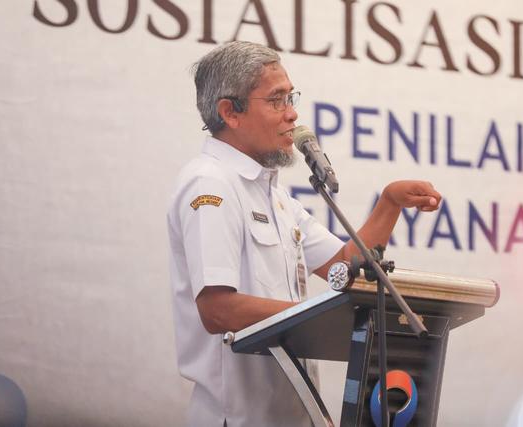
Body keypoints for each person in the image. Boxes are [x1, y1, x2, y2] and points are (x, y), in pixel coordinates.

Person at [167, 40, 441, 427]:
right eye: (276, 100)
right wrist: (321, 318)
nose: (292, 113)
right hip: (238, 419)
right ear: (230, 112)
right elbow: (218, 309)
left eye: (290, 97)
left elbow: (344, 265)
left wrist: (389, 204)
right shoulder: (210, 184)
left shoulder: (276, 198)